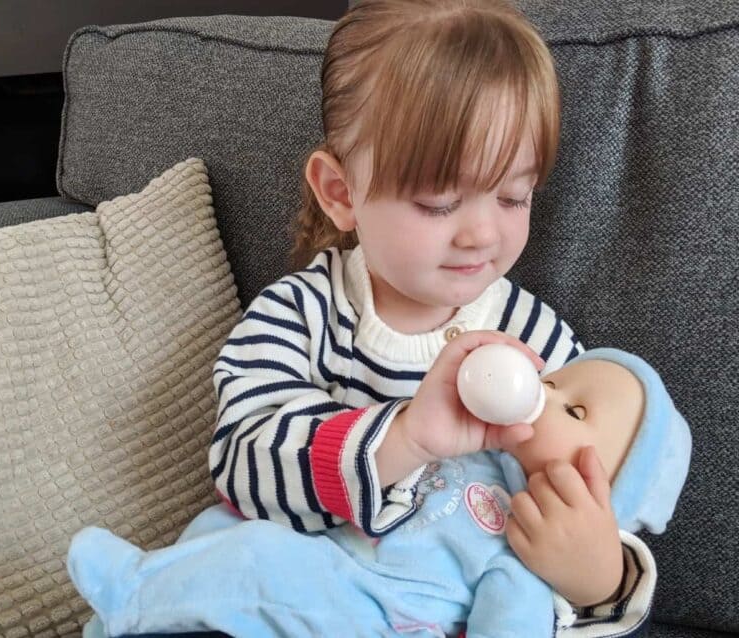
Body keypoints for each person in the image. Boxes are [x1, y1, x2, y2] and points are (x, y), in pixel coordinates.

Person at [201, 1, 659, 630]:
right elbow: (241, 467)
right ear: (341, 193)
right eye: (440, 202)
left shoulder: (538, 343)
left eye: (512, 196)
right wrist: (406, 438)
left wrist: (601, 578)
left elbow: (592, 490)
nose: (480, 234)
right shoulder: (300, 315)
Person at [68, 348, 692, 638]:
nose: (543, 391)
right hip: (340, 558)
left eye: (574, 411)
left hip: (384, 617)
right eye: (553, 379)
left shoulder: (534, 564)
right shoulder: (473, 445)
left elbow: (534, 619)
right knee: (222, 532)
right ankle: (146, 615)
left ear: (606, 492)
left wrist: (594, 575)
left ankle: (136, 591)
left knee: (263, 562)